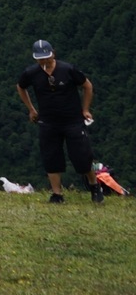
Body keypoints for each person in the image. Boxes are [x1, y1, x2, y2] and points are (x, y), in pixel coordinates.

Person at [16, 39, 101, 204]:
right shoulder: (31, 73)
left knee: (83, 157)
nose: (44, 61)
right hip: (48, 121)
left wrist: (85, 109)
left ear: (53, 54)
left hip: (73, 121)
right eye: (40, 58)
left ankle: (94, 186)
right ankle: (57, 194)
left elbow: (87, 86)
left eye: (47, 57)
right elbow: (21, 86)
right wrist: (31, 109)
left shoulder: (67, 70)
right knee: (51, 157)